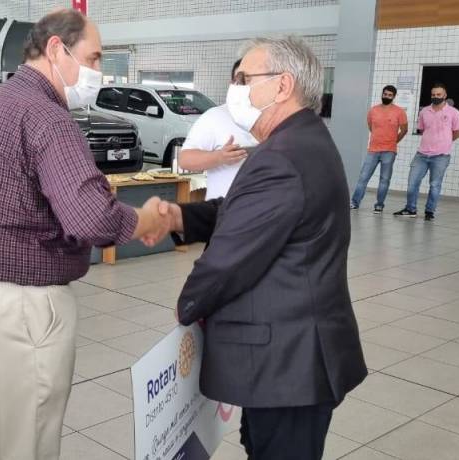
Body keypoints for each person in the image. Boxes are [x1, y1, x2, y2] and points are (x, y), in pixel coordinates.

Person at [0, 10, 169, 459]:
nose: (99, 73)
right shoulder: (48, 118)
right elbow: (91, 218)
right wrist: (145, 220)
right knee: (25, 445)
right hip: (15, 309)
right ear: (57, 49)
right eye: (94, 58)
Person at [152, 36, 367, 460]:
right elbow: (250, 212)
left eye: (243, 79)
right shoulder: (301, 140)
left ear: (282, 86)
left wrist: (188, 306)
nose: (234, 89)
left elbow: (228, 261)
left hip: (288, 363)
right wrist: (182, 218)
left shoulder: (282, 156)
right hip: (295, 355)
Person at [178, 59, 258, 199]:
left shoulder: (274, 115)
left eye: (250, 80)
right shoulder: (214, 116)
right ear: (232, 84)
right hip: (224, 207)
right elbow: (185, 160)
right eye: (241, 81)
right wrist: (220, 157)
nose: (245, 86)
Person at [393, 83, 459, 221]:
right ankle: (410, 209)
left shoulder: (454, 113)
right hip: (422, 155)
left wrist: (444, 142)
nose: (435, 96)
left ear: (445, 95)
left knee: (435, 185)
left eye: (438, 94)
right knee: (412, 183)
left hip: (441, 156)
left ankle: (429, 212)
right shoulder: (424, 111)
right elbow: (422, 130)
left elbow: (457, 132)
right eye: (433, 94)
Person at [351, 85, 408, 212]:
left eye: (389, 95)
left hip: (389, 151)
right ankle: (354, 202)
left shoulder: (399, 112)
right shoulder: (373, 110)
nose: (386, 96)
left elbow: (404, 130)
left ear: (394, 97)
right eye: (385, 94)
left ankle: (379, 205)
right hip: (373, 150)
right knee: (363, 177)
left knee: (384, 180)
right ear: (382, 94)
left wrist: (393, 141)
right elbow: (371, 126)